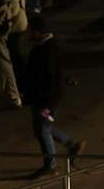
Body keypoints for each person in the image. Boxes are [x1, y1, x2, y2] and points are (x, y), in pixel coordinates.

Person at [20, 17, 80, 177]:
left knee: (43, 129)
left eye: (28, 29)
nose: (26, 33)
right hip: (41, 98)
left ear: (37, 32)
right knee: (42, 127)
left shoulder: (48, 49)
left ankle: (51, 165)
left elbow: (52, 77)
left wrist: (47, 105)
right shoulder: (44, 47)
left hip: (46, 100)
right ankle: (72, 144)